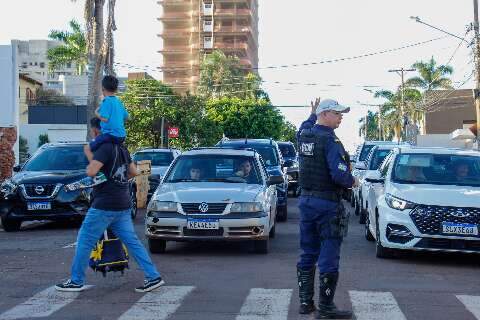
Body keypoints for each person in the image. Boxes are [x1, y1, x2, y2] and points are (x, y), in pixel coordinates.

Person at [55, 118, 164, 293]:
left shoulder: (104, 148)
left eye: (93, 131)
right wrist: (117, 180)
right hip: (122, 203)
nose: (93, 134)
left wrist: (89, 153)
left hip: (104, 204)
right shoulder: (122, 149)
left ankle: (76, 281)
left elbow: (91, 171)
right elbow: (133, 172)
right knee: (132, 242)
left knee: (84, 240)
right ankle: (153, 276)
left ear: (98, 131)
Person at [295, 98, 358, 319]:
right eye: (337, 113)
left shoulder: (304, 135)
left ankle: (305, 303)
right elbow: (339, 175)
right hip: (327, 204)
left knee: (308, 252)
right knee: (329, 255)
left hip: (306, 202)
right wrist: (353, 181)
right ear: (326, 114)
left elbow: (303, 126)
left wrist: (311, 114)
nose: (341, 117)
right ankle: (326, 307)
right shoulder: (331, 141)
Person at [85, 75, 129, 157]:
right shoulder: (118, 102)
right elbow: (127, 117)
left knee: (87, 148)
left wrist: (96, 113)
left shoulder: (106, 101)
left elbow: (104, 119)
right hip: (122, 136)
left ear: (103, 88)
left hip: (110, 135)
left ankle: (97, 168)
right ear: (116, 89)